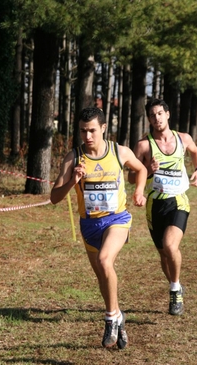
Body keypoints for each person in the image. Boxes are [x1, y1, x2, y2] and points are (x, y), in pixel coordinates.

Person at [51, 107, 147, 349]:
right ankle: (117, 316)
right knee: (103, 278)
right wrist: (72, 180)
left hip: (117, 220)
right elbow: (54, 197)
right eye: (83, 131)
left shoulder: (119, 152)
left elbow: (141, 169)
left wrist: (138, 191)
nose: (87, 136)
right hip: (89, 225)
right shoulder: (73, 158)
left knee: (106, 261)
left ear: (103, 128)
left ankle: (109, 319)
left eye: (92, 130)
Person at [128, 98, 197, 316]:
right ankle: (176, 284)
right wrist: (147, 170)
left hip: (178, 201)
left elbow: (196, 152)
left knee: (171, 246)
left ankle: (174, 291)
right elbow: (132, 177)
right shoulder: (143, 145)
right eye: (152, 115)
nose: (157, 118)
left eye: (160, 113)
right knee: (163, 254)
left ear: (167, 114)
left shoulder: (183, 138)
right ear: (149, 119)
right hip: (154, 205)